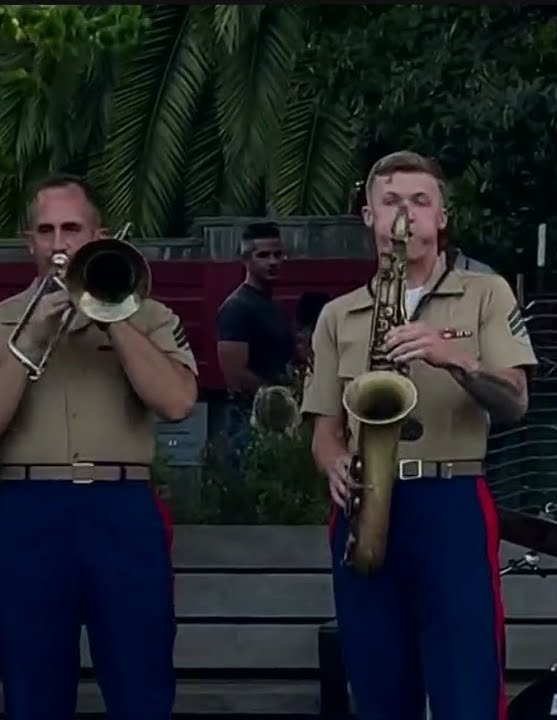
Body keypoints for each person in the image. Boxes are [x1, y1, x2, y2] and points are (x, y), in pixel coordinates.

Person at [0, 174, 198, 720]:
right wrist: (27, 341)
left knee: (142, 690)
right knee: (33, 696)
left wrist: (114, 315)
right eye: (46, 230)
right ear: (28, 241)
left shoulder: (149, 315)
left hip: (121, 511)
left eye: (72, 229)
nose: (60, 244)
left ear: (97, 234)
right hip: (27, 512)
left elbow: (176, 402)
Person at [302, 150, 537, 720]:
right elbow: (323, 428)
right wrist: (332, 461)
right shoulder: (339, 314)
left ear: (441, 218)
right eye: (391, 202)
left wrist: (453, 357)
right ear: (368, 216)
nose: (405, 213)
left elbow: (514, 403)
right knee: (378, 681)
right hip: (365, 502)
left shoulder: (486, 294)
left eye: (419, 201)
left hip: (449, 497)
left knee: (466, 681)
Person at [216, 222, 295, 460]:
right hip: (248, 422)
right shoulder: (237, 307)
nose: (273, 261)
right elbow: (235, 375)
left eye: (278, 254)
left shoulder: (270, 305)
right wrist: (281, 399)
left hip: (274, 420)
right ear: (246, 259)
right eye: (263, 255)